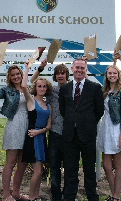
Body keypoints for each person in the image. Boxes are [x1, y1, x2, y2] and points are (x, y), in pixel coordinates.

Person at [58, 58, 104, 201]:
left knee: (89, 170)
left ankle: (92, 197)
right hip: (70, 136)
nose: (79, 70)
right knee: (70, 171)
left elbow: (99, 111)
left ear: (86, 70)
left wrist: (86, 123)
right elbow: (63, 110)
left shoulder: (95, 88)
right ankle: (70, 197)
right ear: (72, 69)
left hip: (88, 135)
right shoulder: (65, 88)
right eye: (77, 67)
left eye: (82, 68)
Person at [30, 58, 70, 201]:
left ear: (67, 75)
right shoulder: (51, 91)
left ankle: (68, 195)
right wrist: (40, 68)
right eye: (58, 73)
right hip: (54, 134)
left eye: (63, 73)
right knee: (54, 168)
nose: (60, 76)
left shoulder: (73, 89)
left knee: (70, 169)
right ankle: (56, 196)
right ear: (55, 76)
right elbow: (33, 81)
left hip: (69, 135)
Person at [0, 61, 29, 201]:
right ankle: (6, 194)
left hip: (28, 127)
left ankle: (17, 193)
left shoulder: (27, 87)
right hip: (14, 126)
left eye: (18, 74)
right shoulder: (8, 90)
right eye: (13, 75)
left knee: (23, 163)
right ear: (9, 77)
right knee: (11, 162)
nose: (16, 77)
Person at [96, 65, 121, 201]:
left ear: (118, 75)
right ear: (106, 75)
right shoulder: (104, 90)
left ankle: (116, 196)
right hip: (106, 127)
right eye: (109, 73)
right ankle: (113, 193)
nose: (112, 75)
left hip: (118, 128)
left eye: (114, 73)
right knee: (106, 165)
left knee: (117, 165)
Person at [21, 60, 52, 200]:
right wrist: (27, 68)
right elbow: (23, 86)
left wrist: (39, 132)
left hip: (40, 137)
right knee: (38, 171)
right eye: (39, 86)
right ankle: (32, 197)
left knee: (39, 172)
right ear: (36, 88)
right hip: (32, 138)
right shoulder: (31, 101)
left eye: (44, 86)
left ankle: (36, 196)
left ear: (47, 88)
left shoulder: (48, 106)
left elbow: (49, 126)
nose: (42, 88)